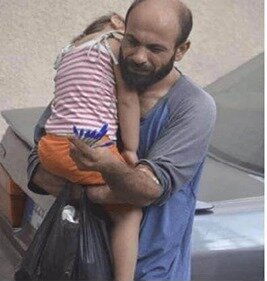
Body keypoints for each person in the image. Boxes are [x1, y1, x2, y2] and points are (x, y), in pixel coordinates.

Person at [27, 0, 216, 280]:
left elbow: (146, 189)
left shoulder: (193, 106)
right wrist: (100, 190)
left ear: (181, 50)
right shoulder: (93, 81)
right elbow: (37, 167)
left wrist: (102, 171)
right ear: (121, 29)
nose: (139, 57)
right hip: (78, 264)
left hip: (153, 271)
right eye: (132, 41)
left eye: (155, 49)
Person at [35, 12, 143, 281]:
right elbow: (128, 101)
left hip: (50, 147)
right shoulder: (116, 45)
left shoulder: (70, 52)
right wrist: (130, 150)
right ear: (119, 24)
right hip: (86, 149)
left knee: (90, 196)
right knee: (130, 210)